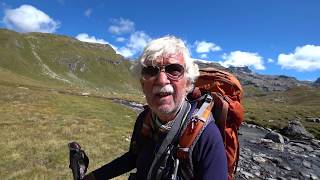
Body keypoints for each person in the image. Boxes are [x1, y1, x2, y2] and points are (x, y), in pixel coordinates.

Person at [83, 36, 227, 180]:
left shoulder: (206, 136)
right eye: (151, 71)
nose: (161, 80)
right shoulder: (144, 119)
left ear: (188, 84)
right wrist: (95, 176)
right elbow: (134, 156)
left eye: (174, 70)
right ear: (142, 85)